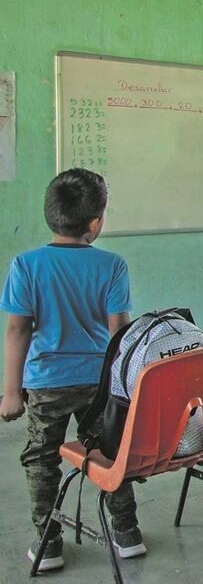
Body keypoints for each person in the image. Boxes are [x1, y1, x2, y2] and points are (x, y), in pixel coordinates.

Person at [1, 168, 143, 571]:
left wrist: (11, 391)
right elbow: (120, 335)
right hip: (99, 383)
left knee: (42, 460)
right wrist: (123, 386)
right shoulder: (112, 265)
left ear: (50, 215)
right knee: (109, 452)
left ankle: (48, 544)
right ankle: (127, 533)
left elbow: (17, 329)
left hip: (45, 384)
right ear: (95, 223)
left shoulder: (26, 265)